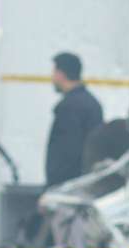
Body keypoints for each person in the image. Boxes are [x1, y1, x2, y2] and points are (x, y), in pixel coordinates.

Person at [46, 52, 103, 187]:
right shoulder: (92, 103)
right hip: (86, 184)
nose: (52, 78)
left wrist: (55, 187)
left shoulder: (68, 107)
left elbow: (66, 153)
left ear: (61, 74)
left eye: (54, 73)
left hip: (67, 187)